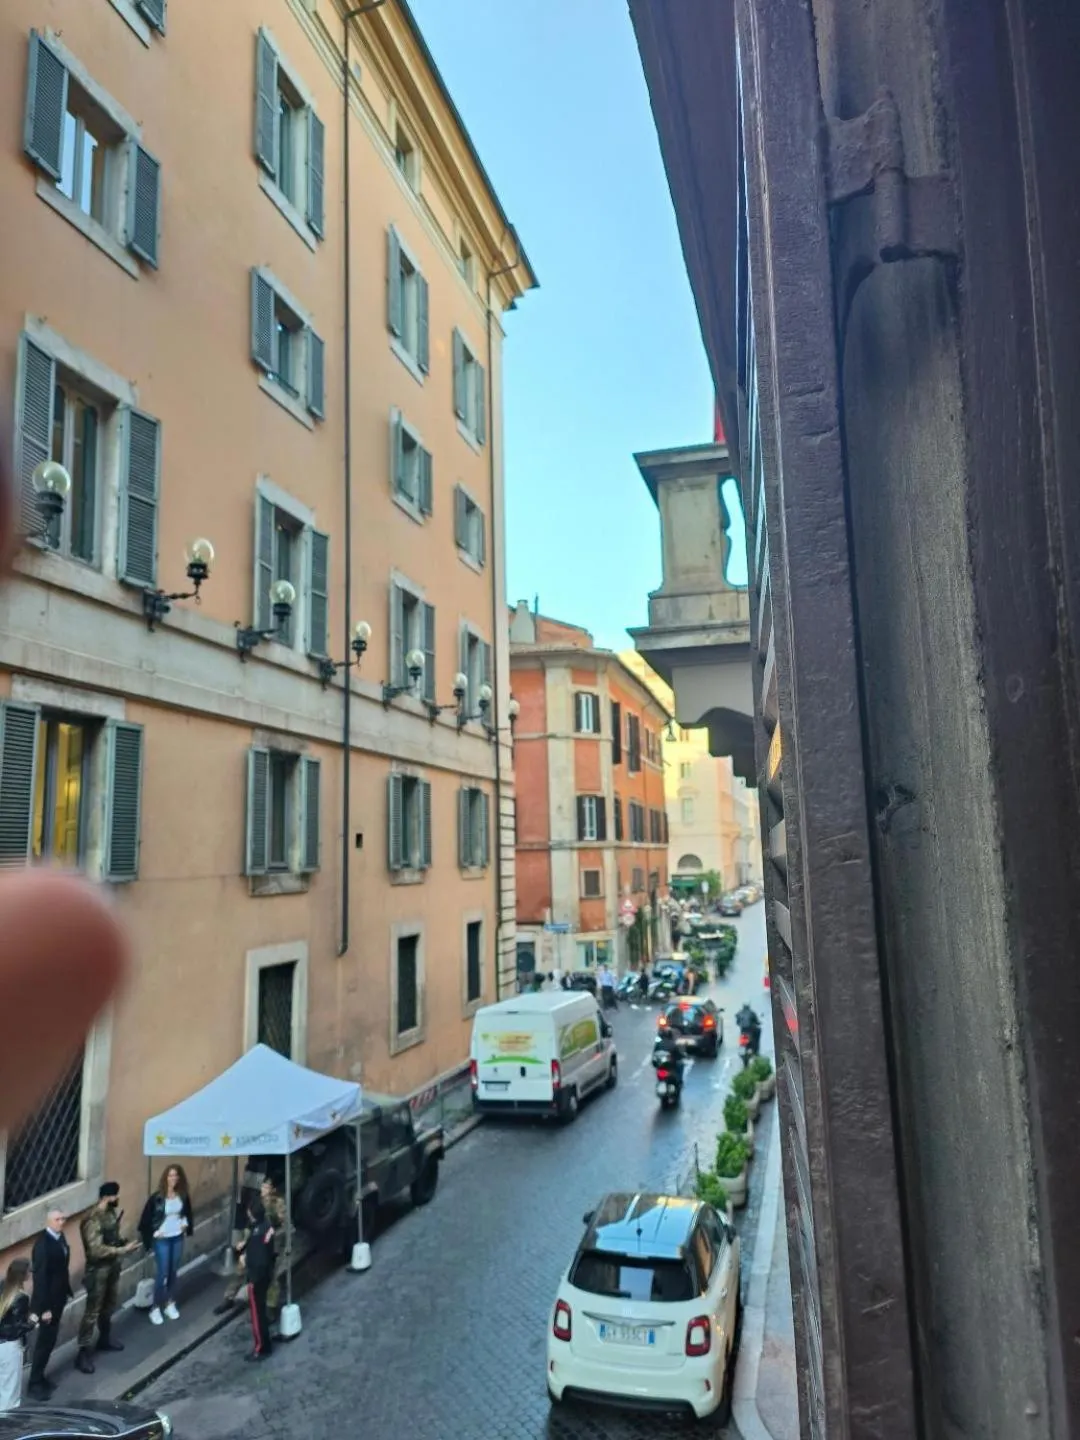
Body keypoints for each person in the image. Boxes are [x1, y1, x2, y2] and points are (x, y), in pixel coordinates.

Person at [75, 1182, 139, 1374]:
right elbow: (95, 1250)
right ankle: (83, 1352)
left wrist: (123, 1243)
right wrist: (121, 1250)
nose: (117, 1198)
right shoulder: (92, 1220)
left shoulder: (110, 1213)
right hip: (98, 1271)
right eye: (115, 1196)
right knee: (92, 1311)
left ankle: (104, 1338)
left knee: (109, 1305)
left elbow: (111, 1238)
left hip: (111, 1267)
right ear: (107, 1197)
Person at [215, 1177, 285, 1319]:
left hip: (270, 1244)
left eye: (267, 1187)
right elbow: (250, 1224)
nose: (263, 1190)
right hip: (254, 1241)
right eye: (263, 1186)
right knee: (240, 1271)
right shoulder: (256, 1201)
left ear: (272, 1190)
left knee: (271, 1276)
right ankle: (229, 1298)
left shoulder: (278, 1203)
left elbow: (281, 1224)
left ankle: (270, 1307)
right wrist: (244, 1241)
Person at [138, 1165, 193, 1327]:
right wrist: (154, 1233)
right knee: (162, 1272)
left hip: (177, 1237)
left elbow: (186, 1213)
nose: (173, 1179)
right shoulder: (157, 1198)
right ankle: (155, 1308)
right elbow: (145, 1220)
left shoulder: (182, 1196)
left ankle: (169, 1303)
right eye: (170, 1176)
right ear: (165, 1178)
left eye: (176, 1176)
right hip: (162, 1239)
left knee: (173, 1271)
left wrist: (185, 1224)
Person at [28, 1208, 72, 1400]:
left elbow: (61, 1269)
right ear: (48, 1222)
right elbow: (41, 1279)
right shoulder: (43, 1245)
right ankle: (34, 1383)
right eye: (57, 1219)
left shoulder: (60, 1238)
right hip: (48, 1304)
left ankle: (41, 1376)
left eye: (63, 1218)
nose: (61, 1222)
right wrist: (43, 1309)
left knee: (50, 1341)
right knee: (44, 1343)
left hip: (58, 1299)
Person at [0, 1259, 38, 1410]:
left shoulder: (3, 1287)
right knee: (10, 1394)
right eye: (29, 1271)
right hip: (10, 1348)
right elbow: (16, 1328)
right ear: (23, 1275)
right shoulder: (21, 1297)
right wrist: (33, 1322)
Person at [242, 1197, 275, 1362]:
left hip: (257, 1277)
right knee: (261, 1312)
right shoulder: (267, 1227)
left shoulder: (256, 1233)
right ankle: (266, 1342)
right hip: (267, 1273)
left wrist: (245, 1261)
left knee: (257, 1315)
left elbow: (256, 1258)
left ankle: (260, 1347)